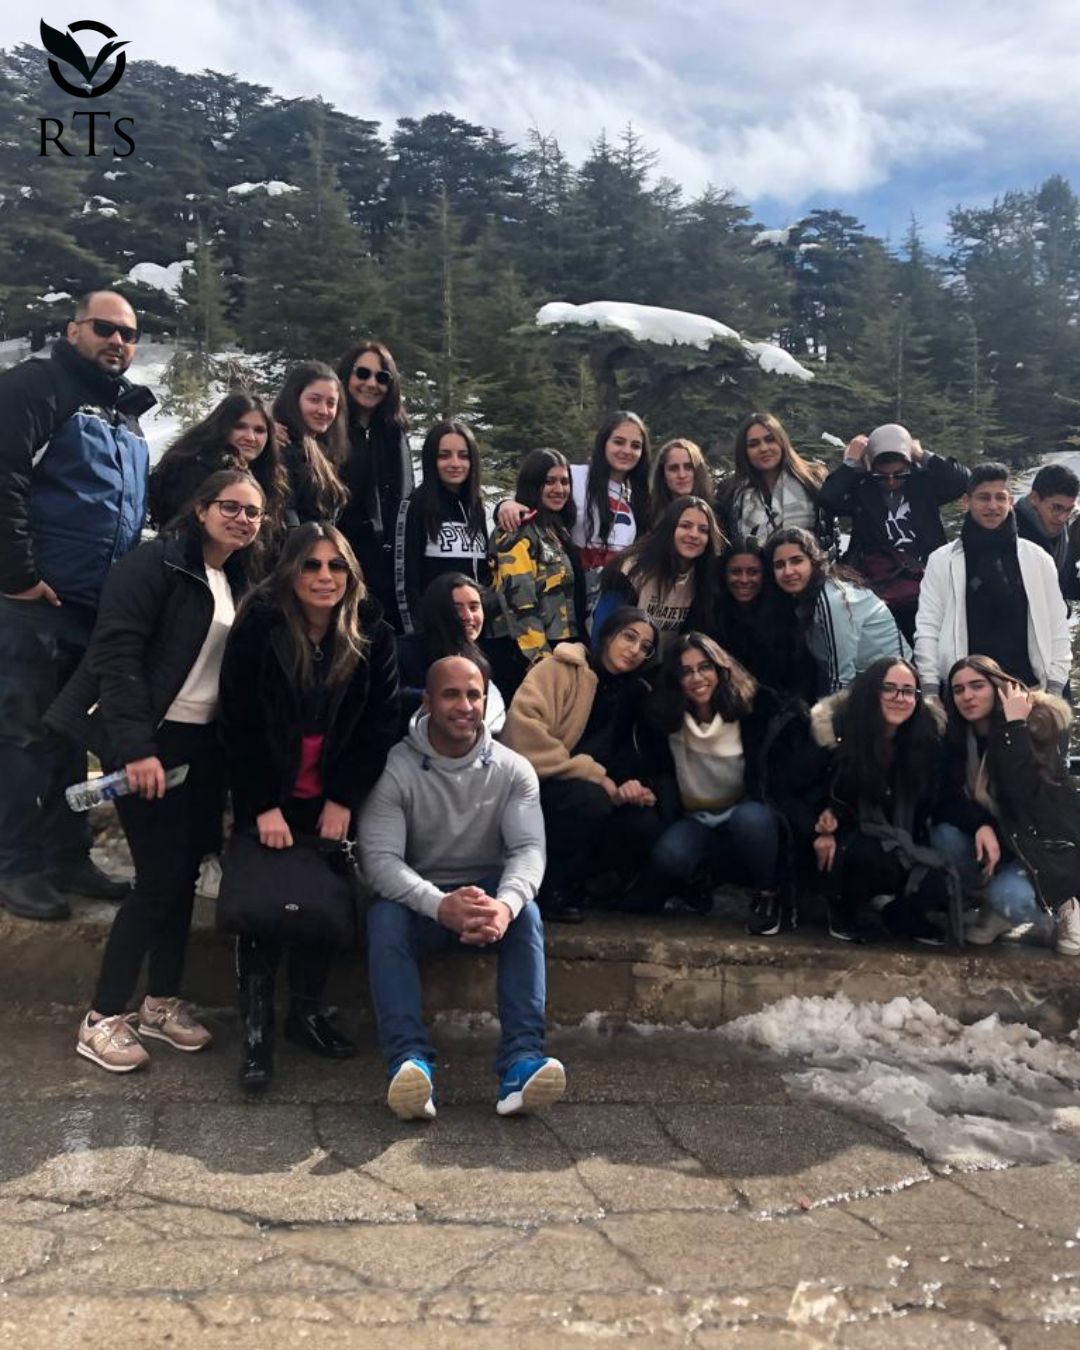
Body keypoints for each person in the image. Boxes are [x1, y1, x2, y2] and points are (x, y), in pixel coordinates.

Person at [43, 470, 264, 1072]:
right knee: (158, 878)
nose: (243, 520)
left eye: (253, 512)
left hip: (202, 743)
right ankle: (101, 1017)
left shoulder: (238, 577)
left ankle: (160, 1002)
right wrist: (137, 749)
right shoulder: (154, 565)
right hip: (149, 739)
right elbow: (116, 655)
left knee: (184, 874)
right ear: (201, 509)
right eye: (231, 507)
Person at [218, 522, 400, 1090]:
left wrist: (344, 796)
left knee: (321, 897)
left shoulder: (372, 631)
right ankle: (257, 1027)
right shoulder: (260, 625)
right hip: (270, 786)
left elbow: (380, 724)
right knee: (262, 903)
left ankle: (307, 1012)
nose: (325, 577)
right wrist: (260, 805)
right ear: (291, 571)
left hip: (331, 793)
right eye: (312, 565)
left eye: (336, 565)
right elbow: (238, 721)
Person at [0, 290, 154, 921]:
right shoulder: (37, 386)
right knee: (21, 735)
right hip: (34, 602)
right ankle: (15, 865)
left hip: (94, 607)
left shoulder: (126, 415)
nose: (117, 341)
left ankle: (67, 855)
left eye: (128, 334)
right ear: (72, 330)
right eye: (104, 328)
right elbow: (5, 474)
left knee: (69, 736)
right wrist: (18, 576)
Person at [361, 655, 564, 1121]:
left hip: (485, 902)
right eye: (451, 694)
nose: (465, 706)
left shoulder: (513, 769)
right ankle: (409, 1064)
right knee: (383, 916)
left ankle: (521, 1062)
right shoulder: (394, 768)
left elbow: (528, 851)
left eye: (474, 695)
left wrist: (504, 907)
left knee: (527, 914)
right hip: (421, 903)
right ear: (428, 702)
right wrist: (439, 905)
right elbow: (380, 862)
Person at [502, 606, 664, 923]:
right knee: (588, 799)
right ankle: (548, 889)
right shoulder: (559, 669)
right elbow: (522, 735)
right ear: (608, 635)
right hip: (542, 785)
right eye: (629, 637)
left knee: (644, 821)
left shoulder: (635, 693)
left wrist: (630, 786)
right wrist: (594, 776)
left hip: (601, 790)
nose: (635, 650)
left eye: (645, 646)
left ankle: (591, 885)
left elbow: (626, 756)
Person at [932, 656, 1080, 954]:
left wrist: (1015, 726)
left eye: (977, 686)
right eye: (959, 690)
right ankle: (989, 906)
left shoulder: (1034, 729)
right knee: (945, 836)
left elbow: (1023, 794)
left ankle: (1063, 904)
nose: (967, 696)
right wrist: (980, 824)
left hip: (1039, 846)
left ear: (998, 688)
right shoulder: (957, 737)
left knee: (1012, 898)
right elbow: (945, 799)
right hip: (1000, 839)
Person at [641, 634, 785, 932]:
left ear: (719, 669)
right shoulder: (666, 718)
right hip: (696, 817)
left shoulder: (751, 710)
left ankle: (769, 892)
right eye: (686, 671)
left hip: (745, 810)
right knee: (669, 855)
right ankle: (700, 880)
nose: (697, 678)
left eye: (705, 667)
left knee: (753, 822)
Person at [810, 657, 956, 944]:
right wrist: (821, 825)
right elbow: (809, 792)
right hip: (850, 837)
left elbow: (940, 801)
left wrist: (980, 824)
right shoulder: (837, 733)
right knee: (869, 859)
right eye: (888, 688)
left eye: (908, 691)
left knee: (939, 882)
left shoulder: (926, 742)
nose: (899, 698)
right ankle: (843, 908)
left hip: (904, 838)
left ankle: (900, 915)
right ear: (870, 691)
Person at [914, 463, 1071, 700]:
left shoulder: (1037, 559)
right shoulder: (942, 561)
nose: (993, 506)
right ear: (966, 502)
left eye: (1000, 497)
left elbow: (1057, 627)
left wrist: (1055, 688)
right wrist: (930, 690)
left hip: (1029, 690)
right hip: (967, 695)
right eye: (983, 498)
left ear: (1010, 502)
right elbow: (928, 628)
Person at [817, 423, 970, 642]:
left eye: (899, 474)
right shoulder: (862, 487)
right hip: (877, 586)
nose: (891, 481)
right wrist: (851, 464)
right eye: (882, 476)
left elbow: (964, 481)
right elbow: (828, 499)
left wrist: (923, 455)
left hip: (927, 581)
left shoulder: (923, 483)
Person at [495, 412, 652, 615]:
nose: (626, 451)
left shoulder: (638, 497)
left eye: (635, 445)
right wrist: (505, 505)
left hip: (611, 602)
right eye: (619, 442)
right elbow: (531, 495)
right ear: (603, 442)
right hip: (565, 595)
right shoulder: (575, 476)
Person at [764, 527, 909, 695]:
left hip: (892, 685)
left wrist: (827, 711)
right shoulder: (801, 598)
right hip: (865, 684)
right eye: (779, 565)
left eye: (797, 561)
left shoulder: (833, 598)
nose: (788, 571)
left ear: (813, 561)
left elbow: (842, 676)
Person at [488, 448, 586, 696]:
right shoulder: (516, 530)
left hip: (558, 647)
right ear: (533, 484)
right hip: (524, 655)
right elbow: (519, 603)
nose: (559, 489)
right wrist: (541, 660)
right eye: (549, 481)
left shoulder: (557, 530)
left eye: (564, 482)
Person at [333, 341, 415, 625]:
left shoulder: (395, 433)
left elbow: (408, 497)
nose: (371, 383)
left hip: (386, 567)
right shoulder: (327, 428)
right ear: (346, 375)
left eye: (382, 377)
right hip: (336, 558)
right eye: (362, 373)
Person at [148, 391, 288, 553]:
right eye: (240, 427)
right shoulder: (194, 468)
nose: (250, 437)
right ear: (223, 427)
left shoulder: (268, 476)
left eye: (259, 430)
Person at [393, 420, 490, 634]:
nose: (455, 463)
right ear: (431, 459)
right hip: (433, 633)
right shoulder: (414, 505)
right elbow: (405, 580)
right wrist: (415, 635)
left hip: (474, 631)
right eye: (444, 455)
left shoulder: (477, 507)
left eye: (463, 456)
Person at [592, 495, 724, 650]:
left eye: (703, 530)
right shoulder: (632, 570)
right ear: (669, 528)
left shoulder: (705, 577)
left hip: (668, 661)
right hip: (623, 658)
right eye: (685, 526)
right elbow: (603, 632)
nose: (694, 535)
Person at [397, 571, 505, 734]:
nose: (468, 616)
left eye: (474, 607)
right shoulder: (404, 653)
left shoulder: (480, 660)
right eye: (457, 609)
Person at [714, 538, 816, 699]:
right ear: (724, 575)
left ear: (765, 574)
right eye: (735, 572)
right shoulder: (714, 613)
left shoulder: (786, 612)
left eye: (753, 572)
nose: (744, 580)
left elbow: (801, 674)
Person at [716, 412, 831, 547]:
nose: (764, 448)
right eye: (753, 444)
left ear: (782, 442)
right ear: (744, 451)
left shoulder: (813, 480)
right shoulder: (729, 492)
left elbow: (829, 535)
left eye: (770, 440)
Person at [273, 362, 349, 527]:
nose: (323, 410)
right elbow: (287, 511)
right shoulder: (281, 445)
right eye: (314, 400)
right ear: (294, 399)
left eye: (331, 403)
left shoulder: (324, 449)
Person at [1014, 462, 1080, 607]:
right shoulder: (1010, 534)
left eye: (1068, 510)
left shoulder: (1062, 534)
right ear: (1034, 498)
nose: (1062, 518)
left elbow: (1065, 585)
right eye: (1056, 508)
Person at [649, 438, 715, 525]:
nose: (682, 475)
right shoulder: (648, 516)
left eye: (689, 467)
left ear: (698, 471)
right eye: (674, 468)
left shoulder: (717, 514)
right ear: (663, 475)